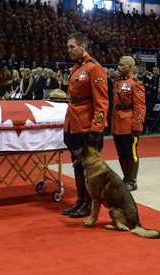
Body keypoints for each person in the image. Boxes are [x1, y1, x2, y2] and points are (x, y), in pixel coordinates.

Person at [62, 32, 108, 218]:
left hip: (86, 124)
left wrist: (96, 128)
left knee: (88, 166)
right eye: (67, 47)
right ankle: (80, 200)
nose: (69, 50)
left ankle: (89, 203)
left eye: (72, 46)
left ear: (83, 46)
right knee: (77, 163)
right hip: (73, 121)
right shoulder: (76, 67)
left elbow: (102, 101)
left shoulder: (94, 68)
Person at [111, 56, 146, 191]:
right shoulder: (118, 82)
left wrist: (137, 125)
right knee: (121, 153)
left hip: (129, 122)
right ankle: (125, 177)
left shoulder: (136, 83)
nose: (118, 67)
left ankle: (132, 181)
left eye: (122, 65)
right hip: (117, 122)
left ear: (130, 67)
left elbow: (140, 107)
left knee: (131, 153)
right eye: (118, 65)